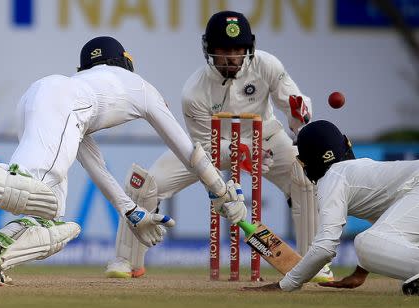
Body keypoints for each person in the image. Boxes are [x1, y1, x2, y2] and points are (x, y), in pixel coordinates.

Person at [0, 36, 246, 286]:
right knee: (30, 188)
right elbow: (188, 148)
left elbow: (94, 163)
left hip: (37, 99)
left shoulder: (84, 90)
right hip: (57, 104)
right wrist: (220, 191)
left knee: (56, 222)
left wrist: (129, 210)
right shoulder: (139, 87)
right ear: (126, 63)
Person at [104, 10, 333, 282]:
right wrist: (243, 149)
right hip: (209, 149)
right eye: (224, 50)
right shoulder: (194, 92)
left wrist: (299, 115)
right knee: (146, 183)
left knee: (304, 176)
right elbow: (204, 147)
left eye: (238, 50)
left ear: (249, 48)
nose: (232, 58)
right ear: (209, 50)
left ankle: (315, 262)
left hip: (267, 140)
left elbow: (296, 110)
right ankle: (126, 260)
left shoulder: (267, 65)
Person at [247, 120, 419, 296]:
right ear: (347, 144)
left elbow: (325, 247)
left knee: (364, 242)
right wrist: (361, 271)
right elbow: (390, 224)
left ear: (305, 164)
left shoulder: (332, 178)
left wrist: (287, 284)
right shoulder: (362, 169)